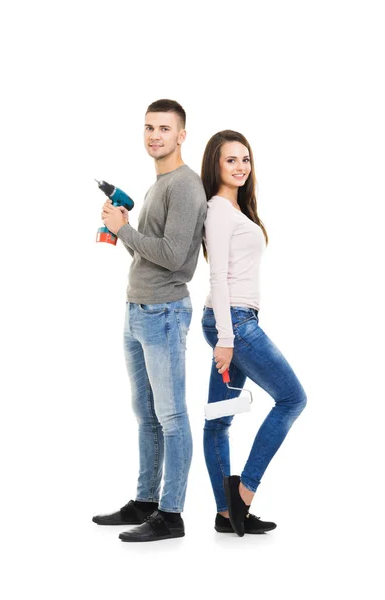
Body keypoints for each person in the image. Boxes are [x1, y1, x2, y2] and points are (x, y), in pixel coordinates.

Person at [92, 99, 207, 542]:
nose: (154, 135)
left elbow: (175, 256)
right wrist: (123, 228)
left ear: (181, 135)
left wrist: (123, 228)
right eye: (148, 128)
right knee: (146, 414)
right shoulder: (157, 184)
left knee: (172, 415)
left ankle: (172, 514)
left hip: (163, 313)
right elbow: (147, 253)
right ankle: (146, 500)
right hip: (137, 310)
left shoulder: (185, 186)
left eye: (164, 128)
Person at [201, 130, 307, 537]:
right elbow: (218, 276)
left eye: (245, 158)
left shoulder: (235, 208)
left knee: (219, 420)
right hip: (235, 323)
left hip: (236, 321)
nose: (241, 166)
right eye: (231, 160)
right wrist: (227, 339)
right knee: (292, 398)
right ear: (216, 164)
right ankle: (242, 496)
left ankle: (226, 516)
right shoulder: (219, 210)